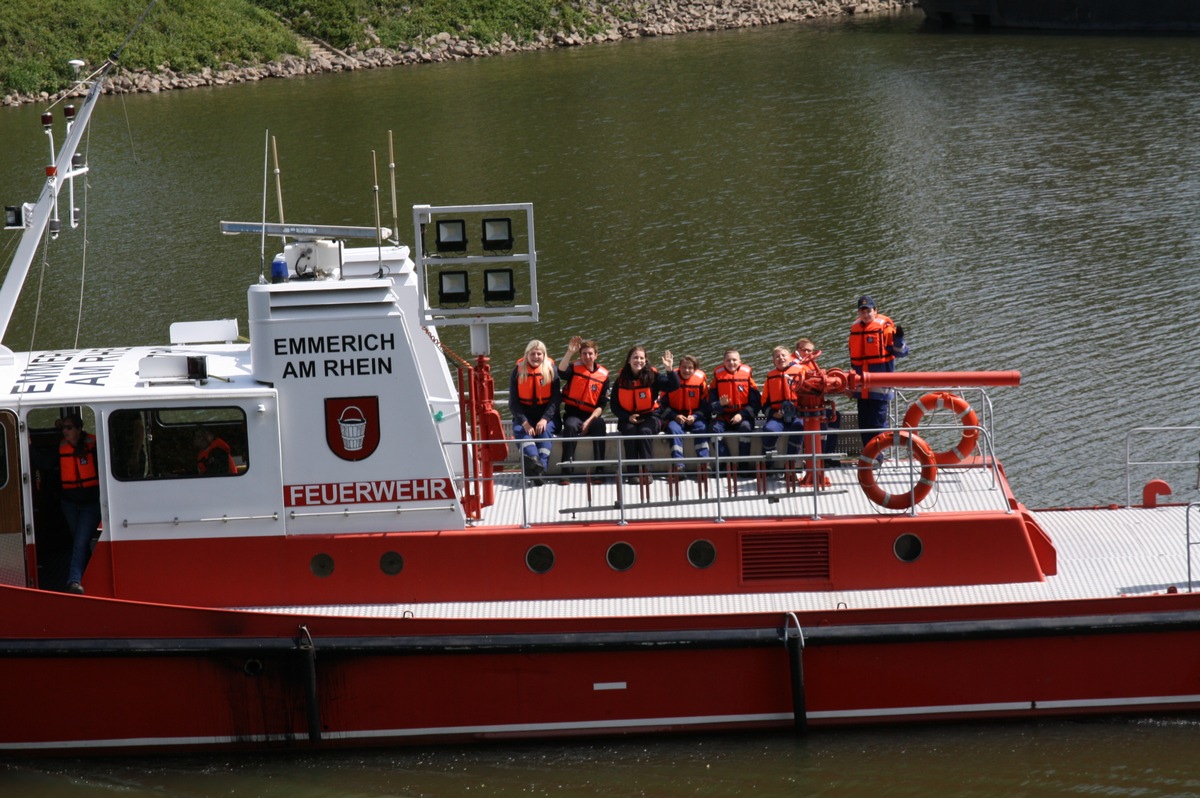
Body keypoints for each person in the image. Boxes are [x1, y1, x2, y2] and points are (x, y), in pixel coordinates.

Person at [848, 295, 908, 448]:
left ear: (875, 310)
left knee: (878, 423)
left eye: (868, 311)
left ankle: (878, 456)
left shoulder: (884, 328)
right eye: (862, 311)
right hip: (861, 387)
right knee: (864, 423)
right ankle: (868, 456)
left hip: (879, 386)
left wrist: (899, 339)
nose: (866, 315)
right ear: (858, 313)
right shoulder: (855, 328)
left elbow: (901, 352)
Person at [612, 345, 678, 479]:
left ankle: (647, 471)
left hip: (651, 416)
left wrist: (669, 369)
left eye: (642, 358)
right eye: (635, 357)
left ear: (646, 360)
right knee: (630, 432)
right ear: (629, 360)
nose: (638, 360)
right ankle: (633, 473)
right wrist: (627, 417)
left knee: (644, 432)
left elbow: (674, 385)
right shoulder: (620, 380)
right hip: (628, 418)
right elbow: (614, 405)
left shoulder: (652, 377)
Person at [58, 414, 101, 594]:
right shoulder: (61, 447)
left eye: (68, 427)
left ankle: (74, 581)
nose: (64, 431)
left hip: (90, 505)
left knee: (80, 542)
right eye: (63, 428)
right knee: (79, 542)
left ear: (78, 429)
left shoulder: (93, 446)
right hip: (70, 504)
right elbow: (45, 463)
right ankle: (93, 575)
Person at [557, 336, 609, 480]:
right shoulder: (574, 368)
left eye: (590, 353)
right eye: (584, 354)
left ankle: (599, 470)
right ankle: (566, 470)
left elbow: (602, 404)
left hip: (592, 415)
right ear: (580, 355)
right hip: (573, 414)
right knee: (570, 426)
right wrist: (569, 352)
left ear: (596, 355)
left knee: (600, 425)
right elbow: (561, 372)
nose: (587, 357)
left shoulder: (603, 376)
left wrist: (590, 420)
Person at [509, 339, 560, 481]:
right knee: (521, 431)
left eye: (539, 354)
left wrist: (545, 419)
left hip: (547, 416)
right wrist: (525, 422)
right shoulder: (517, 372)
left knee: (544, 432)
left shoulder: (551, 371)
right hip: (526, 415)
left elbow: (556, 400)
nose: (536, 357)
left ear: (544, 355)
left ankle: (540, 469)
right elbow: (513, 403)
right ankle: (535, 462)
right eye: (532, 354)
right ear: (527, 355)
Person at [656, 354, 711, 469]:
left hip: (694, 417)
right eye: (684, 367)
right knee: (673, 429)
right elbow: (662, 405)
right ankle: (679, 465)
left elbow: (705, 405)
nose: (686, 370)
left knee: (702, 428)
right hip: (675, 417)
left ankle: (704, 463)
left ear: (695, 369)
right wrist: (675, 416)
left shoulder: (701, 380)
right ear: (679, 367)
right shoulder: (671, 380)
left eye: (690, 368)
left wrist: (695, 416)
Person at [709, 349, 760, 469]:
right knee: (713, 429)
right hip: (723, 416)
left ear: (740, 362)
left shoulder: (748, 378)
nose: (731, 363)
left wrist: (742, 415)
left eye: (734, 360)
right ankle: (726, 464)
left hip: (743, 416)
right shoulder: (717, 380)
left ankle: (743, 465)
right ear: (723, 362)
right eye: (728, 360)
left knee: (745, 428)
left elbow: (756, 404)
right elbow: (710, 405)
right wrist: (720, 405)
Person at [760, 345, 804, 465]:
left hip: (798, 415)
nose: (781, 358)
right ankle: (769, 465)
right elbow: (764, 403)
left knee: (799, 426)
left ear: (790, 357)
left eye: (783, 355)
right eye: (777, 357)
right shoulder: (770, 377)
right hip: (778, 416)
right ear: (774, 361)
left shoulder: (801, 372)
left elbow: (809, 396)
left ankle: (790, 464)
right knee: (769, 430)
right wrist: (774, 413)